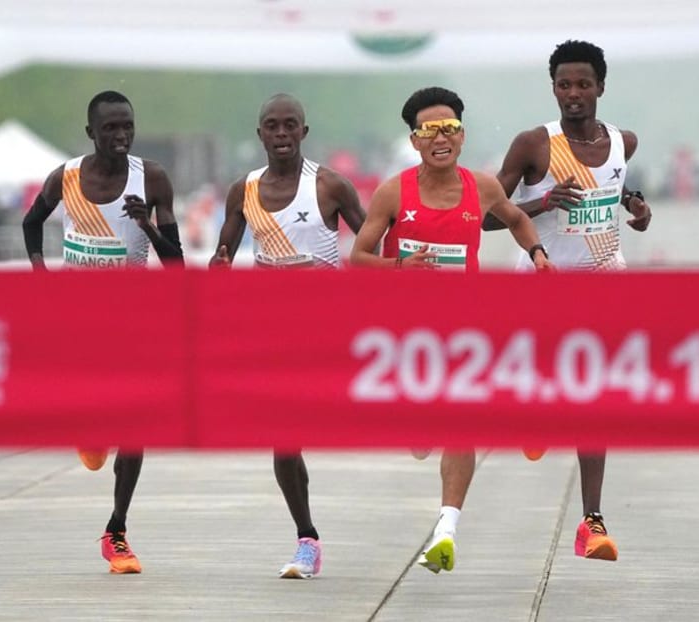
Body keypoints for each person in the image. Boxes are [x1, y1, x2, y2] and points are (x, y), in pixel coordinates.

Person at [350, 86, 552, 574]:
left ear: (461, 135)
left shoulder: (481, 187)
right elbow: (357, 257)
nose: (441, 138)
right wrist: (400, 266)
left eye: (450, 129)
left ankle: (446, 530)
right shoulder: (393, 191)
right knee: (421, 440)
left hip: (464, 329)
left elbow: (517, 217)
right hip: (410, 335)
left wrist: (538, 255)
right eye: (429, 131)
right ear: (415, 141)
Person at [483, 40, 652, 562]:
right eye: (564, 85)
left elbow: (614, 185)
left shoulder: (624, 141)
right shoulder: (534, 144)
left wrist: (635, 206)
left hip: (603, 282)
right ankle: (534, 413)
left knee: (595, 400)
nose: (574, 94)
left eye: (583, 84)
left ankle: (592, 522)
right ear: (553, 88)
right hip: (543, 282)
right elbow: (488, 216)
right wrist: (540, 201)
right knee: (544, 384)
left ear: (601, 86)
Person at [21, 90, 184, 573]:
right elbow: (32, 223)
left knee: (138, 427)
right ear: (91, 133)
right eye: (111, 128)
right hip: (79, 325)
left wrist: (148, 226)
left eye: (128, 126)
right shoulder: (66, 176)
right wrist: (39, 271)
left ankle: (116, 532)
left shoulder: (151, 178)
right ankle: (88, 423)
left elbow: (176, 265)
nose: (121, 136)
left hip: (135, 324)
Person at [209, 93, 366, 579]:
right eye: (272, 126)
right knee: (284, 439)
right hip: (273, 335)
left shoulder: (330, 186)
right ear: (260, 134)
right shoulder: (243, 191)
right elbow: (222, 259)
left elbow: (374, 244)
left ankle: (418, 424)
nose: (281, 134)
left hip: (328, 332)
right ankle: (307, 540)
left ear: (304, 132)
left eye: (290, 126)